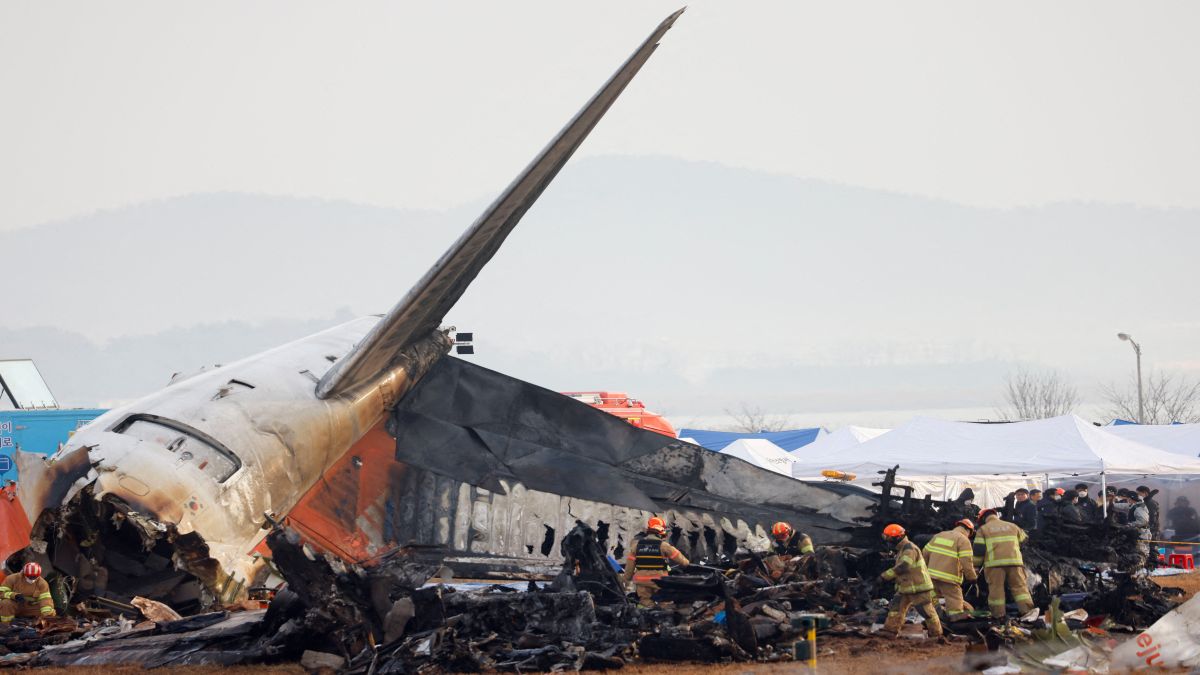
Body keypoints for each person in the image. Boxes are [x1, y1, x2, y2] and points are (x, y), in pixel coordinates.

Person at [879, 524, 943, 638]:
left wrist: (885, 576)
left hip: (918, 587)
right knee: (895, 609)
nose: (887, 542)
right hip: (906, 587)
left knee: (926, 612)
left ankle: (936, 635)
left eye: (889, 538)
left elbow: (904, 566)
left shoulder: (909, 549)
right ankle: (890, 631)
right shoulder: (903, 549)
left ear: (897, 537)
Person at [975, 509, 1034, 619]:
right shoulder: (1012, 526)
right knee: (1020, 588)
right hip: (1014, 562)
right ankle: (1028, 613)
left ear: (983, 518)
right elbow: (1025, 540)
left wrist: (976, 566)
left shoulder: (983, 529)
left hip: (994, 565)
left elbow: (979, 551)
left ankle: (998, 615)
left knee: (996, 589)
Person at [622, 517, 689, 606]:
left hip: (641, 581)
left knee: (646, 603)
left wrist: (626, 580)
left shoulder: (636, 546)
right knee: (665, 602)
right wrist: (687, 564)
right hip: (659, 581)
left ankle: (649, 617)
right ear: (661, 530)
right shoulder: (664, 546)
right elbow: (683, 561)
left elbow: (629, 567)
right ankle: (664, 617)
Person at [923, 519, 977, 622]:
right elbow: (967, 562)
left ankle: (935, 622)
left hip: (931, 576)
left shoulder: (939, 535)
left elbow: (925, 553)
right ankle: (955, 623)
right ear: (968, 530)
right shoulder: (963, 540)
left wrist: (925, 570)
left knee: (933, 599)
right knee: (954, 600)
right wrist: (972, 577)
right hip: (949, 578)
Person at [1128, 492, 1152, 568]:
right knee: (1142, 551)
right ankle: (1142, 567)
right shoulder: (1136, 506)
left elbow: (1143, 521)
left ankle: (1142, 567)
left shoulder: (1138, 508)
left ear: (1130, 499)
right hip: (1142, 532)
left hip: (1141, 533)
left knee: (1142, 551)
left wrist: (1130, 525)